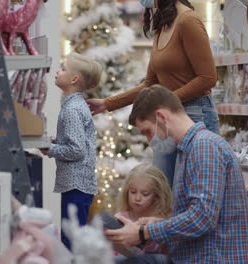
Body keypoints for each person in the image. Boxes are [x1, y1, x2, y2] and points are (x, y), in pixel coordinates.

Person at [106, 85, 248, 263]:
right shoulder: (190, 150)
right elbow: (198, 213)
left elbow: (201, 218)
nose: (149, 140)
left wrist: (144, 233)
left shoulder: (204, 147)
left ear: (161, 117)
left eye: (148, 131)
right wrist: (158, 223)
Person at [86, 0, 219, 187]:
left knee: (192, 191)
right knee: (163, 191)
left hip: (194, 115)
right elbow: (150, 83)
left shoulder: (188, 21)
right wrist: (107, 104)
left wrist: (167, 101)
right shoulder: (162, 24)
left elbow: (207, 78)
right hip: (166, 116)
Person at [41, 52, 102, 250]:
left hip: (76, 186)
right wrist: (58, 141)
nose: (58, 71)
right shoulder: (75, 106)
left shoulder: (72, 110)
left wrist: (50, 149)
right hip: (76, 185)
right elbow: (77, 141)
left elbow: (77, 150)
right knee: (72, 238)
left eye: (63, 69)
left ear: (74, 79)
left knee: (71, 241)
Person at [113, 163, 172, 260]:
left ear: (157, 195)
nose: (137, 198)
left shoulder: (161, 221)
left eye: (145, 194)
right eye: (133, 192)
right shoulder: (120, 218)